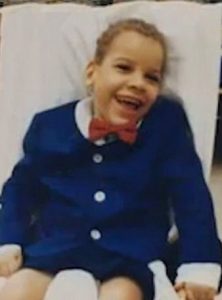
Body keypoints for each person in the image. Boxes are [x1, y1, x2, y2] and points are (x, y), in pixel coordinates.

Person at [0, 18, 220, 300]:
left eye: (151, 77)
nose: (138, 83)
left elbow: (191, 197)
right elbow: (20, 189)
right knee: (17, 289)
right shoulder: (50, 126)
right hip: (54, 246)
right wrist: (8, 241)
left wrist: (198, 266)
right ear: (92, 72)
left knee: (122, 295)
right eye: (124, 68)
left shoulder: (166, 126)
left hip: (127, 254)